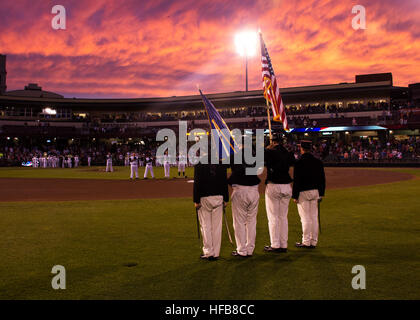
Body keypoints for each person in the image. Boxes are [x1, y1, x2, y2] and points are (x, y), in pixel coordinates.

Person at [264, 134, 295, 253]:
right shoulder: (288, 152)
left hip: (274, 185)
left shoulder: (270, 151)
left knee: (273, 217)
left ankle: (275, 244)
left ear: (273, 142)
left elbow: (259, 156)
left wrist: (268, 148)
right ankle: (283, 244)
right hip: (287, 186)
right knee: (283, 217)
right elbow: (292, 161)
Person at [193, 156, 229, 261]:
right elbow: (224, 182)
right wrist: (226, 198)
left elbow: (197, 183)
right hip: (218, 197)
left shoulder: (199, 163)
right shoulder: (221, 163)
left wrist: (196, 200)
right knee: (217, 227)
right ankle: (216, 253)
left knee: (205, 226)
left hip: (205, 197)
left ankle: (209, 252)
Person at [292, 140, 326, 249]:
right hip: (315, 191)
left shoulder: (299, 162)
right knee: (313, 217)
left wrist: (295, 195)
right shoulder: (318, 162)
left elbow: (297, 180)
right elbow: (322, 179)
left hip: (303, 192)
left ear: (302, 148)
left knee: (305, 218)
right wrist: (321, 193)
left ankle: (306, 241)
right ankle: (313, 241)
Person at [228, 146, 261, 257]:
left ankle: (241, 250)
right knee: (251, 222)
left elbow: (227, 166)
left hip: (241, 190)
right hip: (254, 190)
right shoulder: (255, 157)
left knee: (239, 222)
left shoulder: (235, 156)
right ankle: (250, 249)